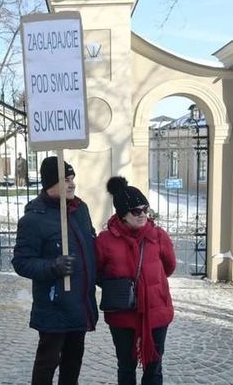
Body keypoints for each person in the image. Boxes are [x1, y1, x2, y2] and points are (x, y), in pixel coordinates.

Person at [12, 156, 98, 385]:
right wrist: (52, 266)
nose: (72, 184)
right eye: (66, 179)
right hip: (54, 306)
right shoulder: (33, 219)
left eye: (72, 178)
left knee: (73, 364)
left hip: (79, 303)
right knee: (47, 364)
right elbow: (21, 262)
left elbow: (90, 247)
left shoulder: (80, 209)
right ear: (51, 183)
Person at [96, 176, 176, 385]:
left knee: (154, 367)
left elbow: (169, 267)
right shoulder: (105, 240)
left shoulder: (158, 236)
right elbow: (97, 272)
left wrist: (149, 286)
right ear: (122, 214)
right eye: (136, 211)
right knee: (126, 367)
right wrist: (119, 286)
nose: (142, 215)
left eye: (145, 209)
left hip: (155, 310)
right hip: (123, 314)